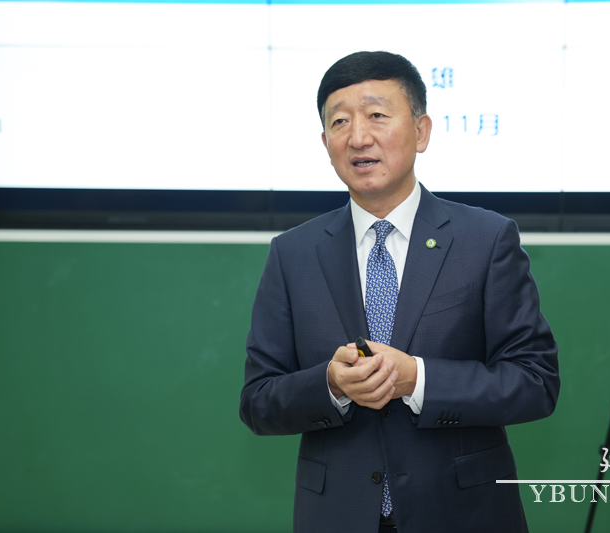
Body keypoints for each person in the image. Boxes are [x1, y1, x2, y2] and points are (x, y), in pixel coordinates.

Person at [239, 51, 559, 533]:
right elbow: (258, 401)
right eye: (340, 121)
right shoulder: (293, 253)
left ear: (421, 131)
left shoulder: (486, 239)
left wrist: (418, 379)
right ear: (325, 143)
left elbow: (535, 382)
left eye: (376, 115)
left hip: (463, 515)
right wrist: (331, 385)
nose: (358, 137)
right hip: (338, 517)